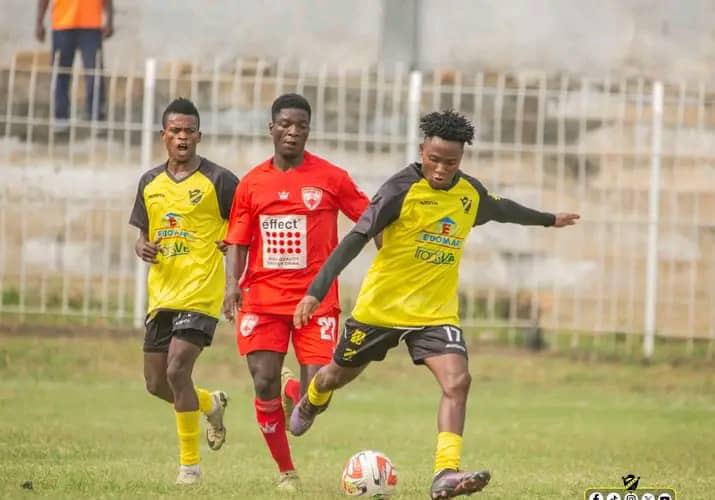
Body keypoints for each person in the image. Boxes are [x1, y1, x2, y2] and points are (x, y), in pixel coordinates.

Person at [290, 110, 580, 498]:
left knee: (458, 381)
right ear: (422, 151)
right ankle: (312, 399)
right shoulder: (399, 190)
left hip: (435, 314)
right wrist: (316, 290)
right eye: (434, 159)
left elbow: (504, 209)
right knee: (333, 376)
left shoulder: (469, 194)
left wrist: (548, 219)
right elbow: (356, 238)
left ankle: (446, 472)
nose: (441, 169)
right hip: (381, 310)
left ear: (461, 159)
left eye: (450, 162)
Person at [223, 93, 370, 492]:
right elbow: (237, 239)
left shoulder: (331, 177)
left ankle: (296, 391)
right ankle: (286, 471)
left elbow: (368, 217)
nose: (292, 131)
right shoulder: (252, 183)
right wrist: (231, 287)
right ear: (271, 128)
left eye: (301, 125)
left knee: (318, 393)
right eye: (285, 124)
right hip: (262, 297)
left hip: (315, 301)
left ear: (308, 130)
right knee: (263, 382)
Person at [129, 98, 239, 485]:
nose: (182, 137)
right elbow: (143, 233)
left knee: (177, 369)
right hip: (162, 293)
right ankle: (210, 402)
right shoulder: (149, 182)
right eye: (175, 131)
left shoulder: (219, 180)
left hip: (201, 292)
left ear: (199, 136)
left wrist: (232, 269)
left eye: (189, 131)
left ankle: (189, 468)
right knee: (156, 383)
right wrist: (142, 247)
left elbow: (244, 224)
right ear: (164, 135)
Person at [35, 0, 114, 124]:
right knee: (60, 72)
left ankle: (97, 116)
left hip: (91, 25)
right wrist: (39, 22)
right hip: (63, 24)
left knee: (95, 73)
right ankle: (60, 117)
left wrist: (110, 21)